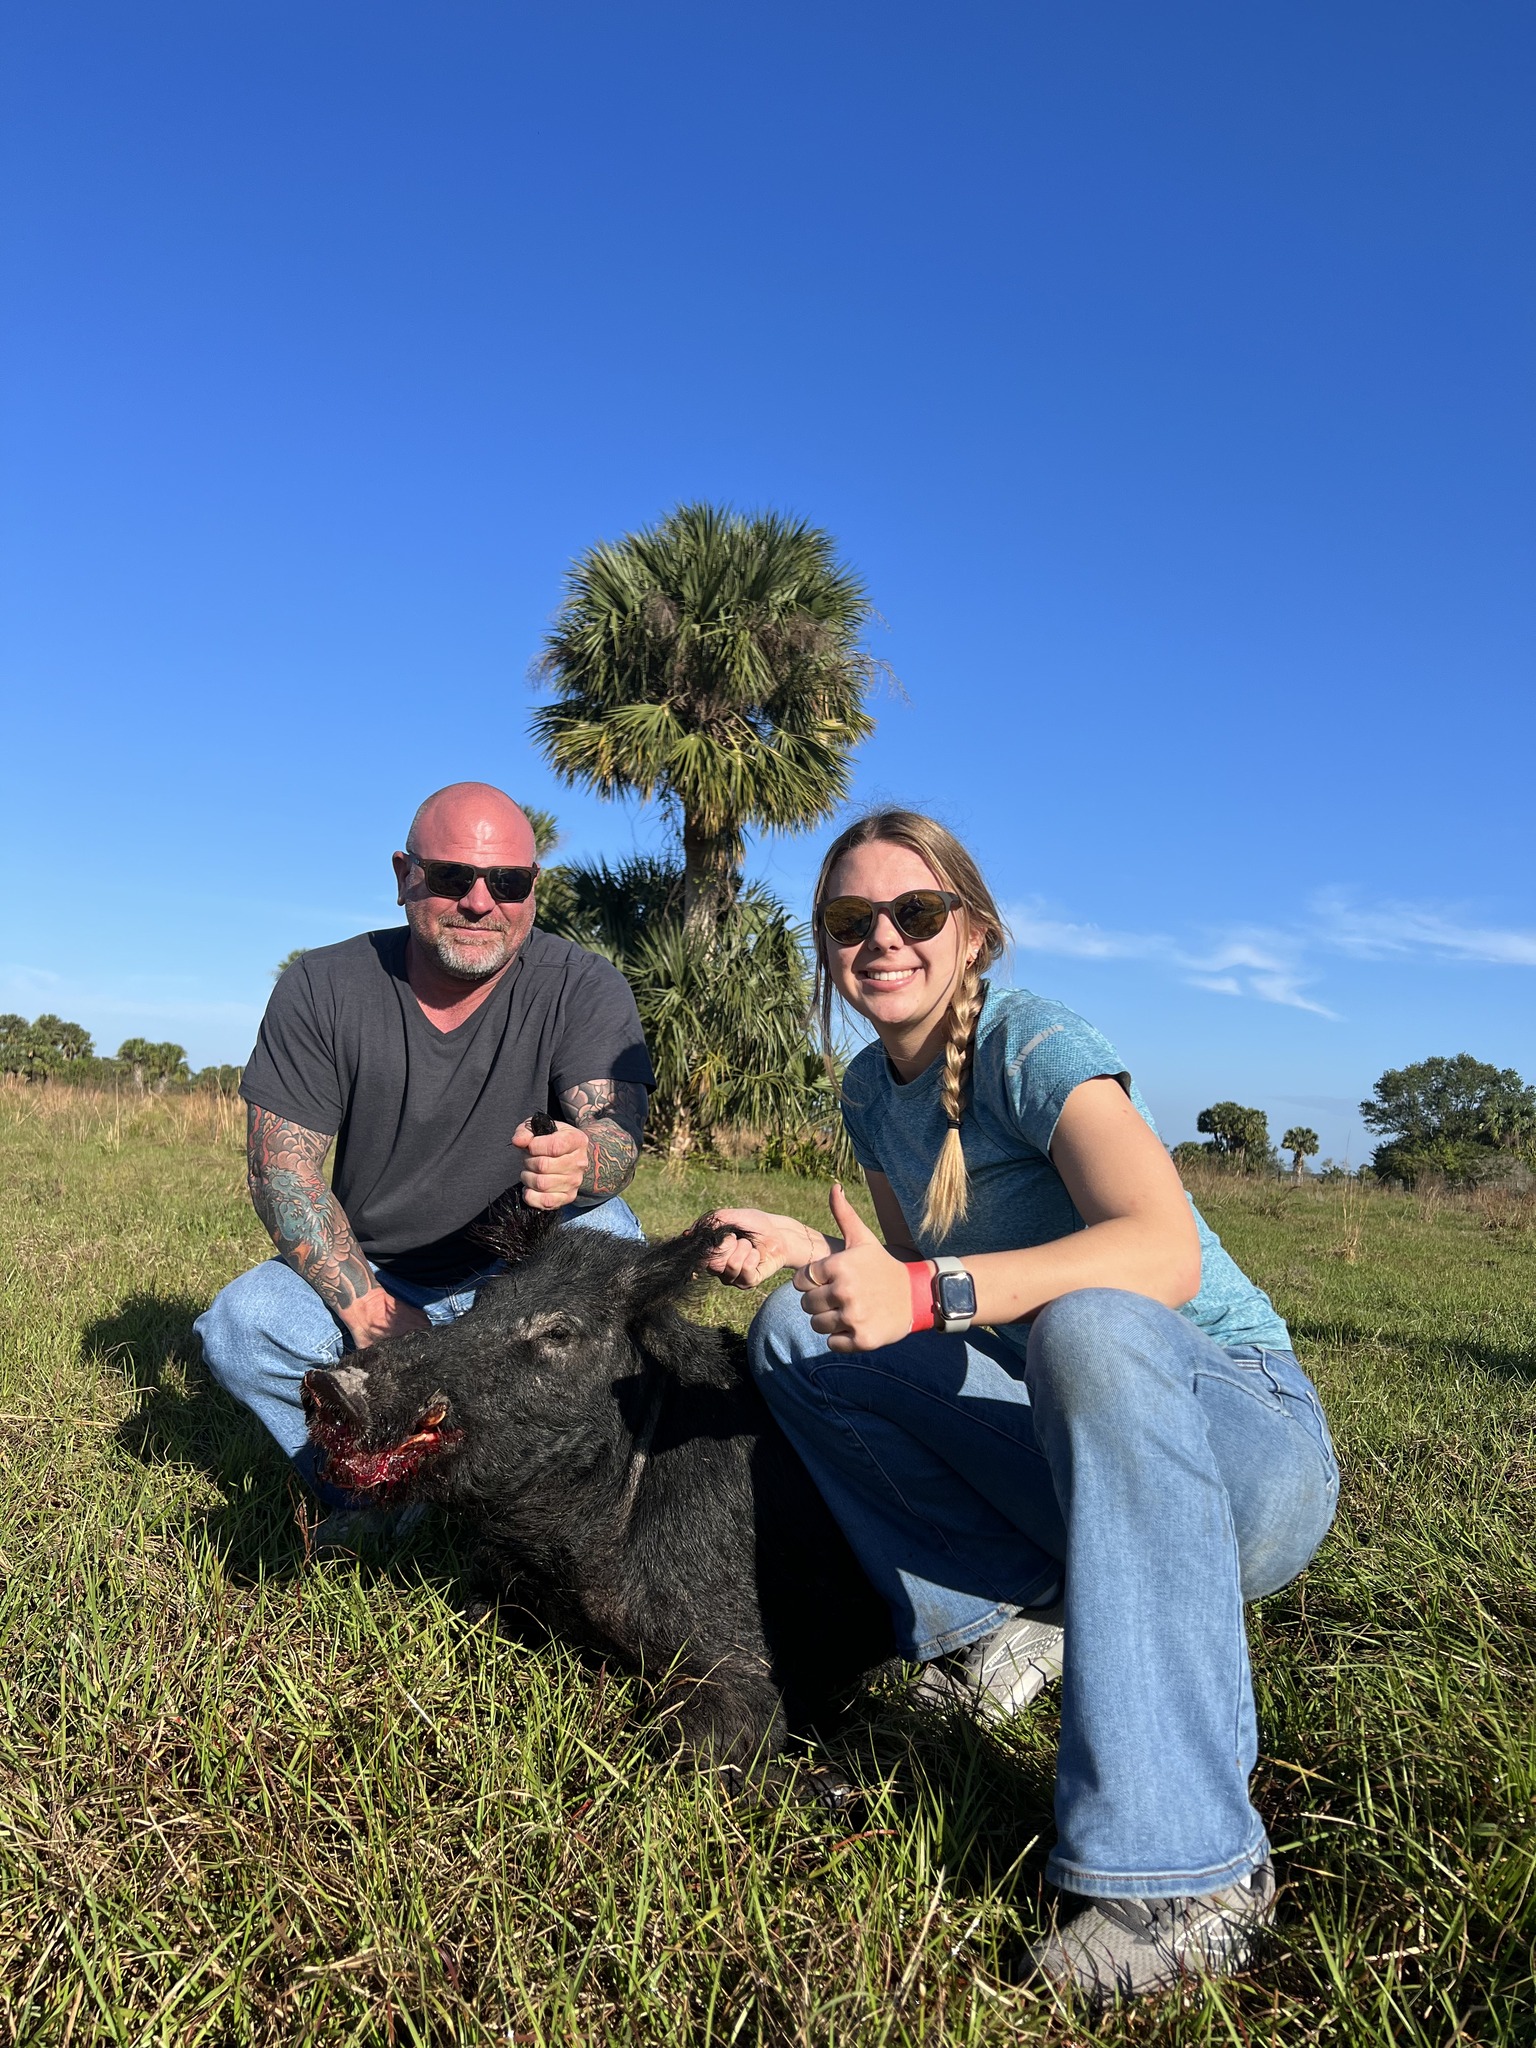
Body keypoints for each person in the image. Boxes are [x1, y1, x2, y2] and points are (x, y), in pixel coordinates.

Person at [703, 809, 1338, 2004]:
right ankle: (988, 1632)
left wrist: (930, 1288)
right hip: (1069, 1428)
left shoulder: (1031, 1038)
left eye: (915, 913)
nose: (882, 938)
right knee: (799, 1335)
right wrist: (812, 1254)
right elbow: (916, 1298)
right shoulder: (864, 1085)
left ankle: (1186, 1871)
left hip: (1241, 1445)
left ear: (974, 933)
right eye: (851, 921)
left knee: (1092, 1317)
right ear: (826, 947)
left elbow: (1162, 1254)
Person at [196, 782, 654, 1534]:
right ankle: (384, 1501)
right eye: (452, 877)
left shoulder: (583, 985)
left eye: (507, 882)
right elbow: (284, 1171)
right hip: (379, 1274)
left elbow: (613, 1136)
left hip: (520, 1272)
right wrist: (372, 1314)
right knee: (244, 1326)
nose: (480, 901)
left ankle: (563, 1510)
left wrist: (584, 1161)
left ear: (533, 888)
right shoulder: (324, 985)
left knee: (620, 1250)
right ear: (406, 874)